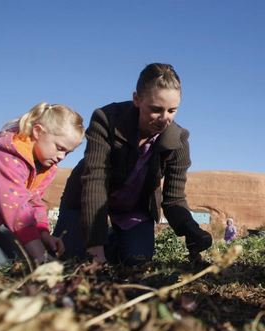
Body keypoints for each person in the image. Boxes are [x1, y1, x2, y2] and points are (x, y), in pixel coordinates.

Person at [54, 63, 212, 266]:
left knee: (136, 263)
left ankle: (113, 240)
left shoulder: (177, 141)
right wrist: (95, 249)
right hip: (86, 201)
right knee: (72, 261)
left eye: (172, 110)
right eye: (156, 109)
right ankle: (99, 240)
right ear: (137, 99)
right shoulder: (106, 120)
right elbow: (95, 181)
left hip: (134, 209)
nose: (165, 119)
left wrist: (191, 229)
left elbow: (173, 199)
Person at [0, 103, 85, 270]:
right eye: (60, 148)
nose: (61, 157)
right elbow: (17, 210)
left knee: (21, 259)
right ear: (38, 131)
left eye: (68, 153)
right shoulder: (4, 159)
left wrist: (43, 234)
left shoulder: (45, 168)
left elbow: (34, 202)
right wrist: (41, 256)